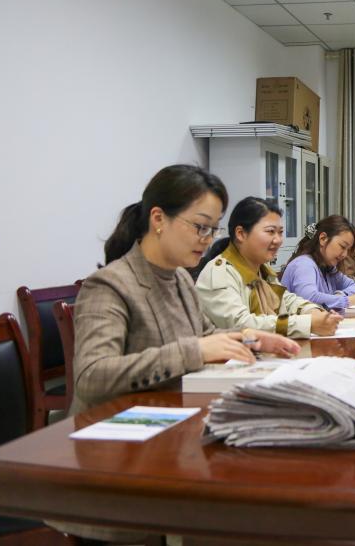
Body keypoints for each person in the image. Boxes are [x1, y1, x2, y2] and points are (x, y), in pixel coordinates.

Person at [62, 165, 300, 542]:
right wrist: (195, 350)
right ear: (159, 219)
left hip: (171, 438)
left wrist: (252, 339)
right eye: (200, 226)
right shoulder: (109, 286)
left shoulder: (179, 280)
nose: (207, 240)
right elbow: (92, 375)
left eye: (213, 229)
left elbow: (205, 336)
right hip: (116, 460)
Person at [195, 197, 342, 337]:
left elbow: (287, 300)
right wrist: (307, 324)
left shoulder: (261, 270)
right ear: (241, 234)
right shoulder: (220, 273)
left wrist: (313, 312)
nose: (278, 240)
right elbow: (240, 324)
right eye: (270, 232)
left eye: (280, 232)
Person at [281, 215, 355, 310]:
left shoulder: (328, 268)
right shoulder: (304, 264)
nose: (345, 254)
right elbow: (308, 299)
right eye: (342, 246)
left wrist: (340, 295)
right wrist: (347, 301)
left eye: (348, 250)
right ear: (323, 239)